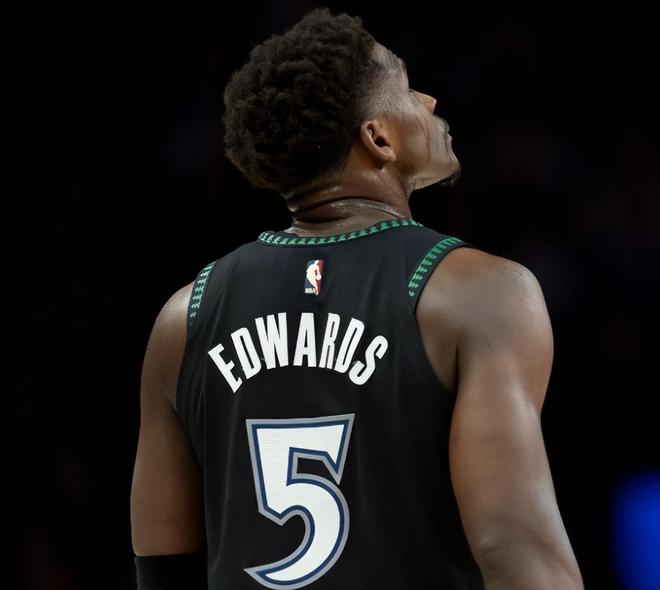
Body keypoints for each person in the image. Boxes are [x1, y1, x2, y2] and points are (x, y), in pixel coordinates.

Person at [130, 7, 584, 590]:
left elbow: (162, 570)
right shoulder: (481, 294)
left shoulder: (183, 318)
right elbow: (514, 547)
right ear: (378, 138)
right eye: (407, 87)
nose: (429, 100)